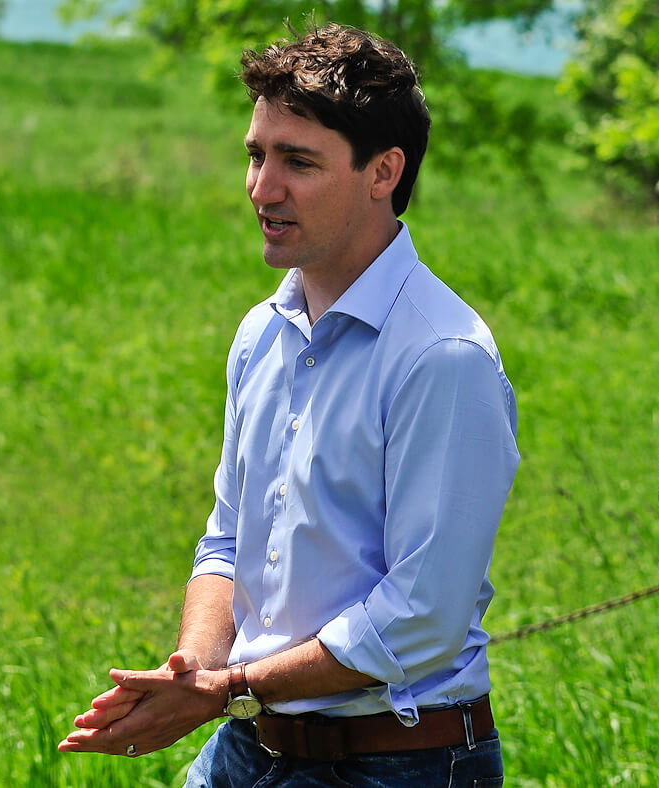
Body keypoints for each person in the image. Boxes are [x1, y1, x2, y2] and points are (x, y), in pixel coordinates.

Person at [58, 23, 520, 788]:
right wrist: (192, 674)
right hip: (249, 746)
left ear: (384, 172)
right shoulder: (261, 334)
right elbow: (227, 542)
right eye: (256, 153)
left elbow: (421, 620)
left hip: (397, 762)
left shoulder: (443, 356)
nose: (262, 189)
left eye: (297, 162)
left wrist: (223, 692)